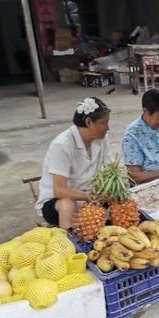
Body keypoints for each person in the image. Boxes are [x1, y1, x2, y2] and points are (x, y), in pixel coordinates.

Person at [36, 97, 111, 229]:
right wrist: (89, 196)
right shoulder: (62, 144)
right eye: (104, 123)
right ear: (89, 122)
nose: (108, 128)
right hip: (57, 202)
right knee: (67, 205)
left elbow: (108, 170)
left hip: (89, 196)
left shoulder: (102, 140)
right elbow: (59, 191)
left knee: (120, 198)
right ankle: (71, 245)